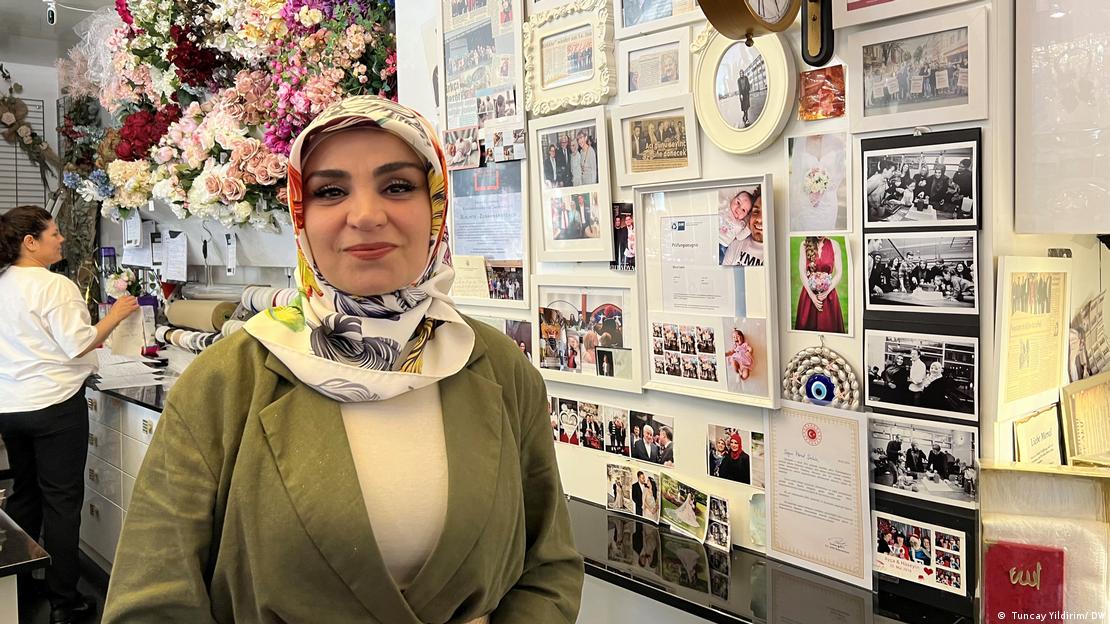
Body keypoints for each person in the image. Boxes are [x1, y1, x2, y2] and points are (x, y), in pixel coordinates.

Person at [103, 97, 584, 622]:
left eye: (398, 186)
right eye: (331, 191)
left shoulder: (497, 367)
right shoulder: (225, 383)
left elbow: (549, 566)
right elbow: (153, 601)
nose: (366, 216)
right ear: (301, 214)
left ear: (437, 205)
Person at [0, 205, 140, 623]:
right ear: (31, 242)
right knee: (62, 503)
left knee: (26, 495)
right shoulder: (53, 286)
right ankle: (66, 602)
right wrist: (115, 315)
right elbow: (78, 344)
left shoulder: (3, 282)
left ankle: (21, 587)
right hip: (54, 407)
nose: (61, 239)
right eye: (54, 233)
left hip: (11, 407)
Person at [795, 236, 845, 333]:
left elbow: (839, 272)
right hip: (809, 295)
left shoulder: (835, 245)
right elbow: (802, 272)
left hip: (828, 294)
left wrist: (827, 292)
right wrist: (812, 296)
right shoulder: (804, 245)